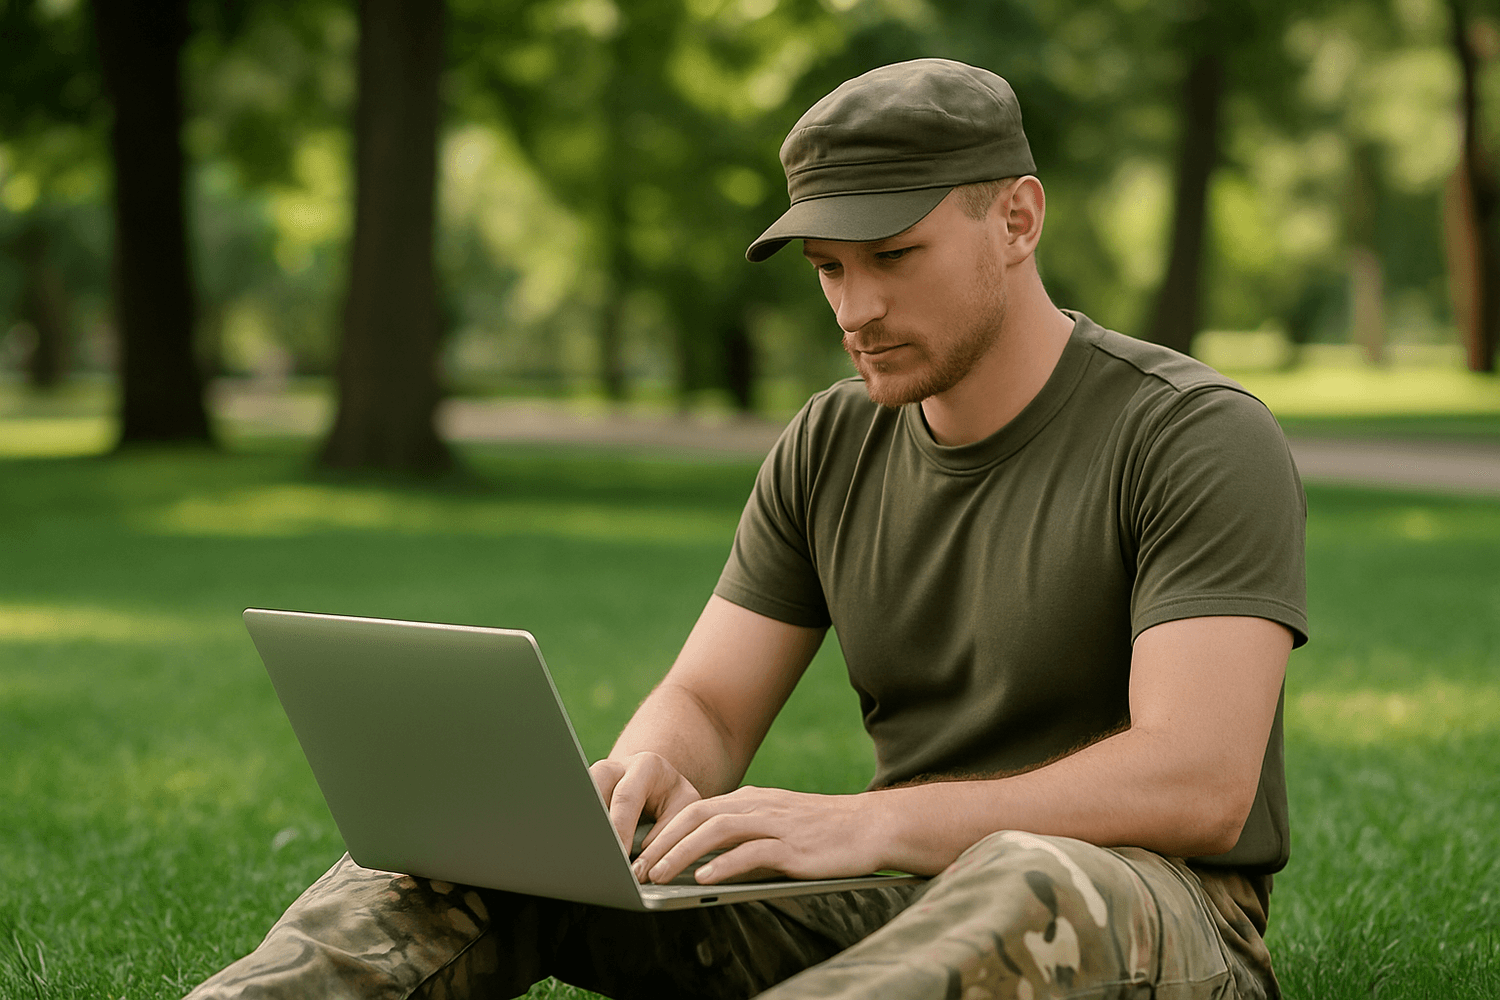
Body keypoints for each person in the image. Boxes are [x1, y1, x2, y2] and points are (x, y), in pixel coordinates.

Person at [185, 58, 1306, 1000]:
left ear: (1016, 219)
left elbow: (1197, 780)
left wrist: (869, 824)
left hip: (1147, 903)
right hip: (887, 895)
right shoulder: (830, 443)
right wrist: (643, 780)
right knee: (472, 845)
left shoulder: (1194, 435)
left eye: (893, 257)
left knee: (1023, 872)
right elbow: (713, 703)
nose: (856, 309)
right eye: (829, 270)